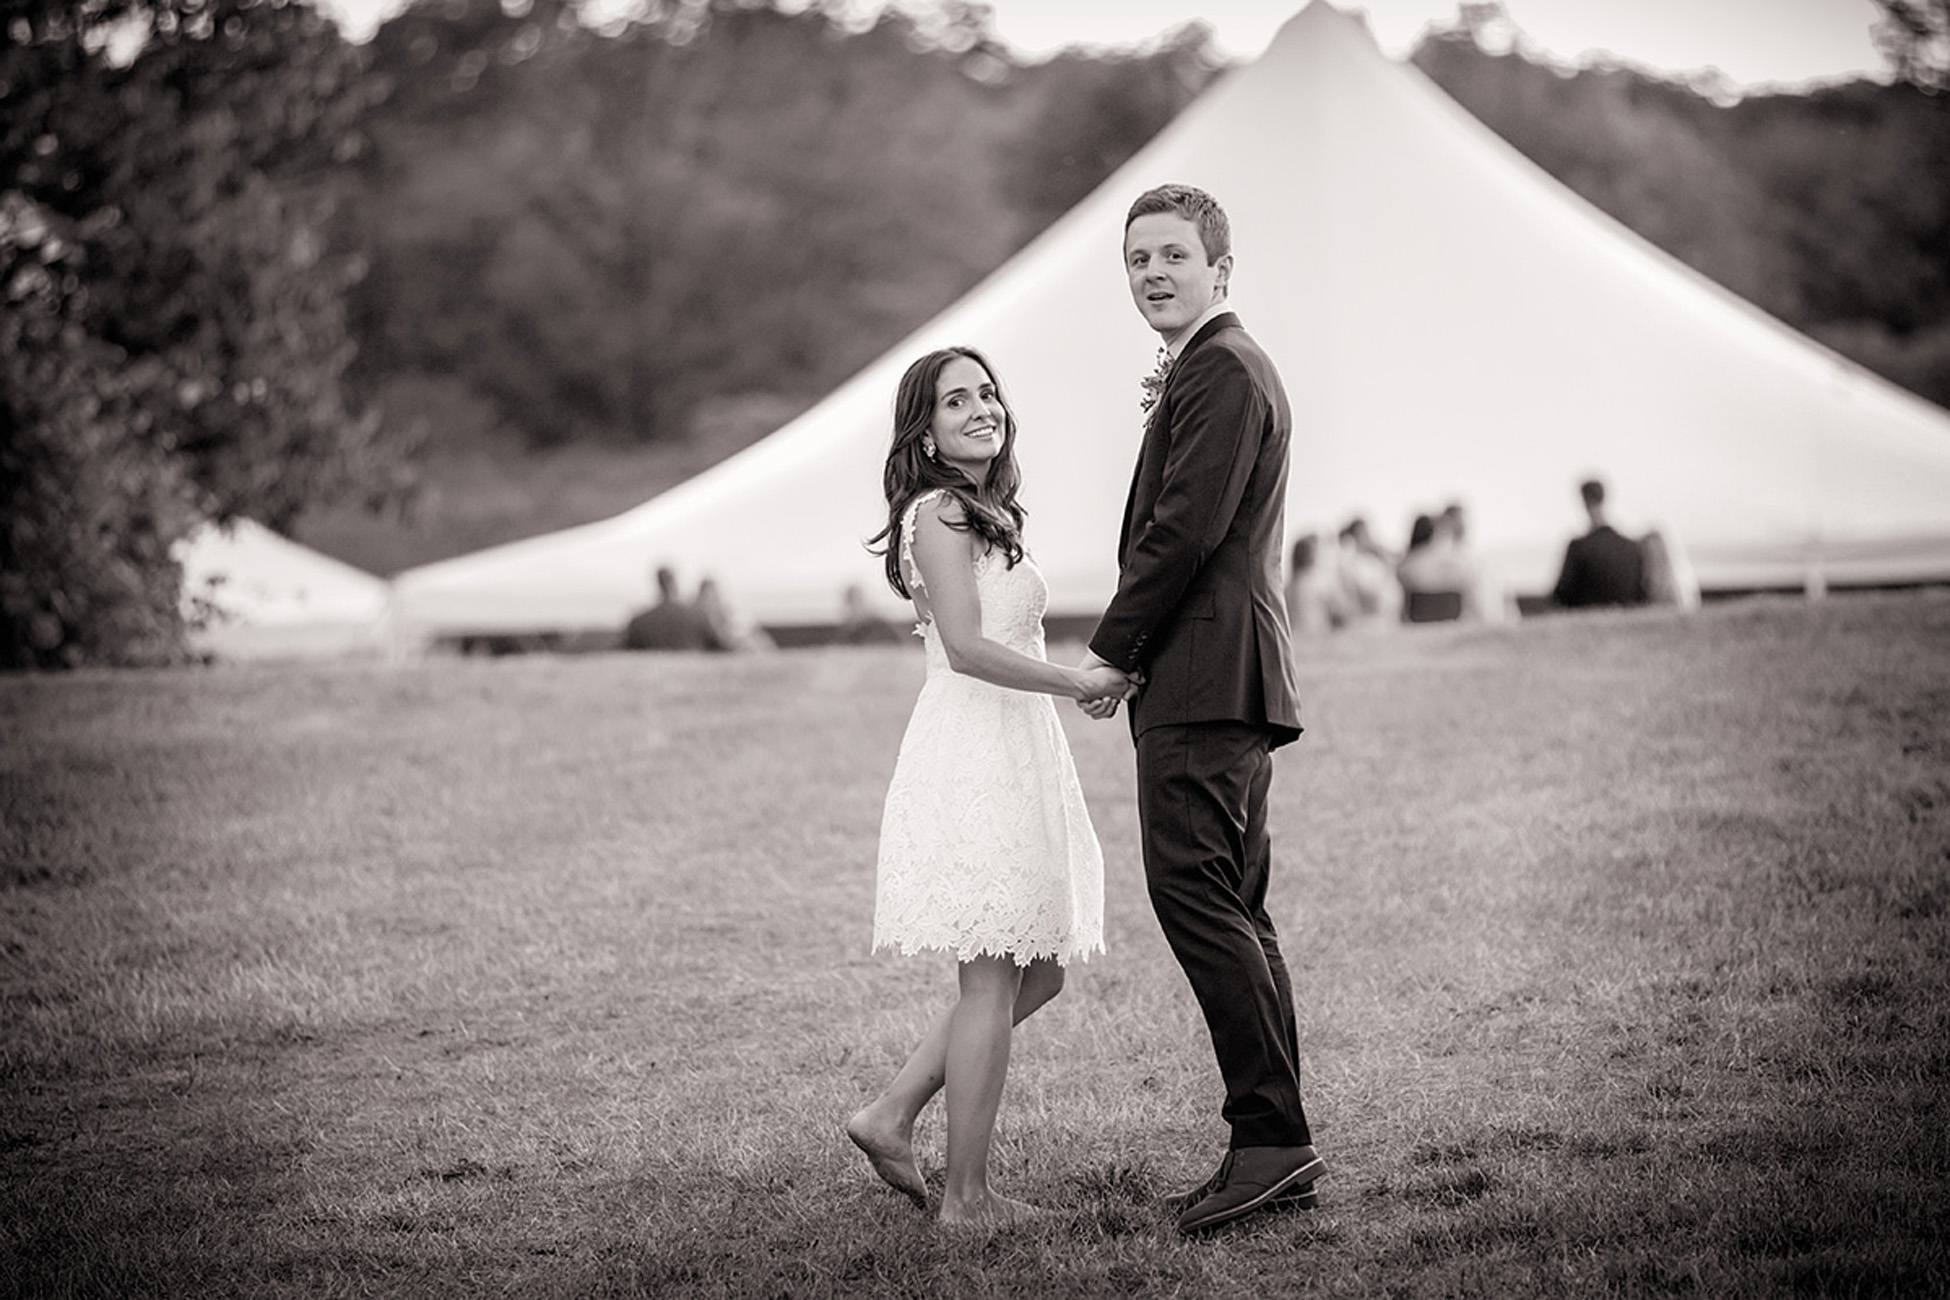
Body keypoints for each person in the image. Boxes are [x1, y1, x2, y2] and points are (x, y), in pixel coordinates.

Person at [1077, 184, 1324, 1235]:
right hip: (1221, 677)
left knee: (1200, 900)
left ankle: (1270, 1140)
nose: (1153, 274)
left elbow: (1181, 530)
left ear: (1223, 269)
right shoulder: (1214, 366)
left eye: (1173, 255)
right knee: (1233, 905)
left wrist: (1110, 652)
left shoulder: (1223, 367)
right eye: (1138, 260)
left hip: (1201, 677)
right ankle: (1275, 1141)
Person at [846, 346, 1133, 1228]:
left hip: (1016, 747)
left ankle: (889, 1114)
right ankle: (966, 1201)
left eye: (986, 392)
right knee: (990, 980)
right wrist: (1080, 682)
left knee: (1034, 975)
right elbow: (966, 646)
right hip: (973, 751)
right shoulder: (938, 514)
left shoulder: (986, 512)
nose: (980, 407)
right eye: (954, 400)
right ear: (924, 433)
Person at [1551, 478, 1648, 608]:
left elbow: (1562, 594)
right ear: (1604, 498)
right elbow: (1641, 593)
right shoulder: (1632, 547)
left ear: (1584, 501)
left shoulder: (1579, 548)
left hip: (1585, 618)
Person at [620, 564, 724, 651]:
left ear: (658, 584)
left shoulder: (639, 622)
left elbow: (622, 650)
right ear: (675, 583)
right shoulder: (698, 617)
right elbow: (722, 648)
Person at [833, 582, 905, 645]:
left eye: (857, 601)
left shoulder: (880, 626)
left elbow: (900, 646)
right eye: (850, 603)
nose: (852, 609)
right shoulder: (846, 633)